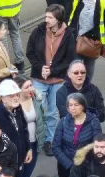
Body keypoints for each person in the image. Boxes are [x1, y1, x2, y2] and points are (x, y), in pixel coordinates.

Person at [26, 5, 76, 154]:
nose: (46, 19)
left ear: (58, 20)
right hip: (39, 78)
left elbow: (70, 60)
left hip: (58, 80)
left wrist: (52, 71)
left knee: (52, 112)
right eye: (46, 16)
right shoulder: (38, 31)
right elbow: (30, 52)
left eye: (50, 17)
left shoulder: (69, 35)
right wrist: (40, 67)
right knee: (37, 110)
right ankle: (34, 139)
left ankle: (50, 140)